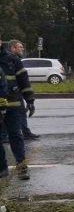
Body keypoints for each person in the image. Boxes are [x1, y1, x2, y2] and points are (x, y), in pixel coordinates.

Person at [0, 38, 35, 180]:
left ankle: (22, 168)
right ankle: (2, 168)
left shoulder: (12, 59)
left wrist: (30, 100)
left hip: (13, 106)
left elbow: (23, 80)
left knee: (16, 136)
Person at [1, 40, 38, 140]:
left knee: (20, 112)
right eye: (20, 47)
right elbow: (23, 81)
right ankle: (5, 136)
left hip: (15, 94)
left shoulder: (14, 60)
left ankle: (25, 132)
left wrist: (30, 100)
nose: (22, 49)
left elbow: (23, 81)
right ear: (13, 48)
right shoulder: (12, 59)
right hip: (9, 96)